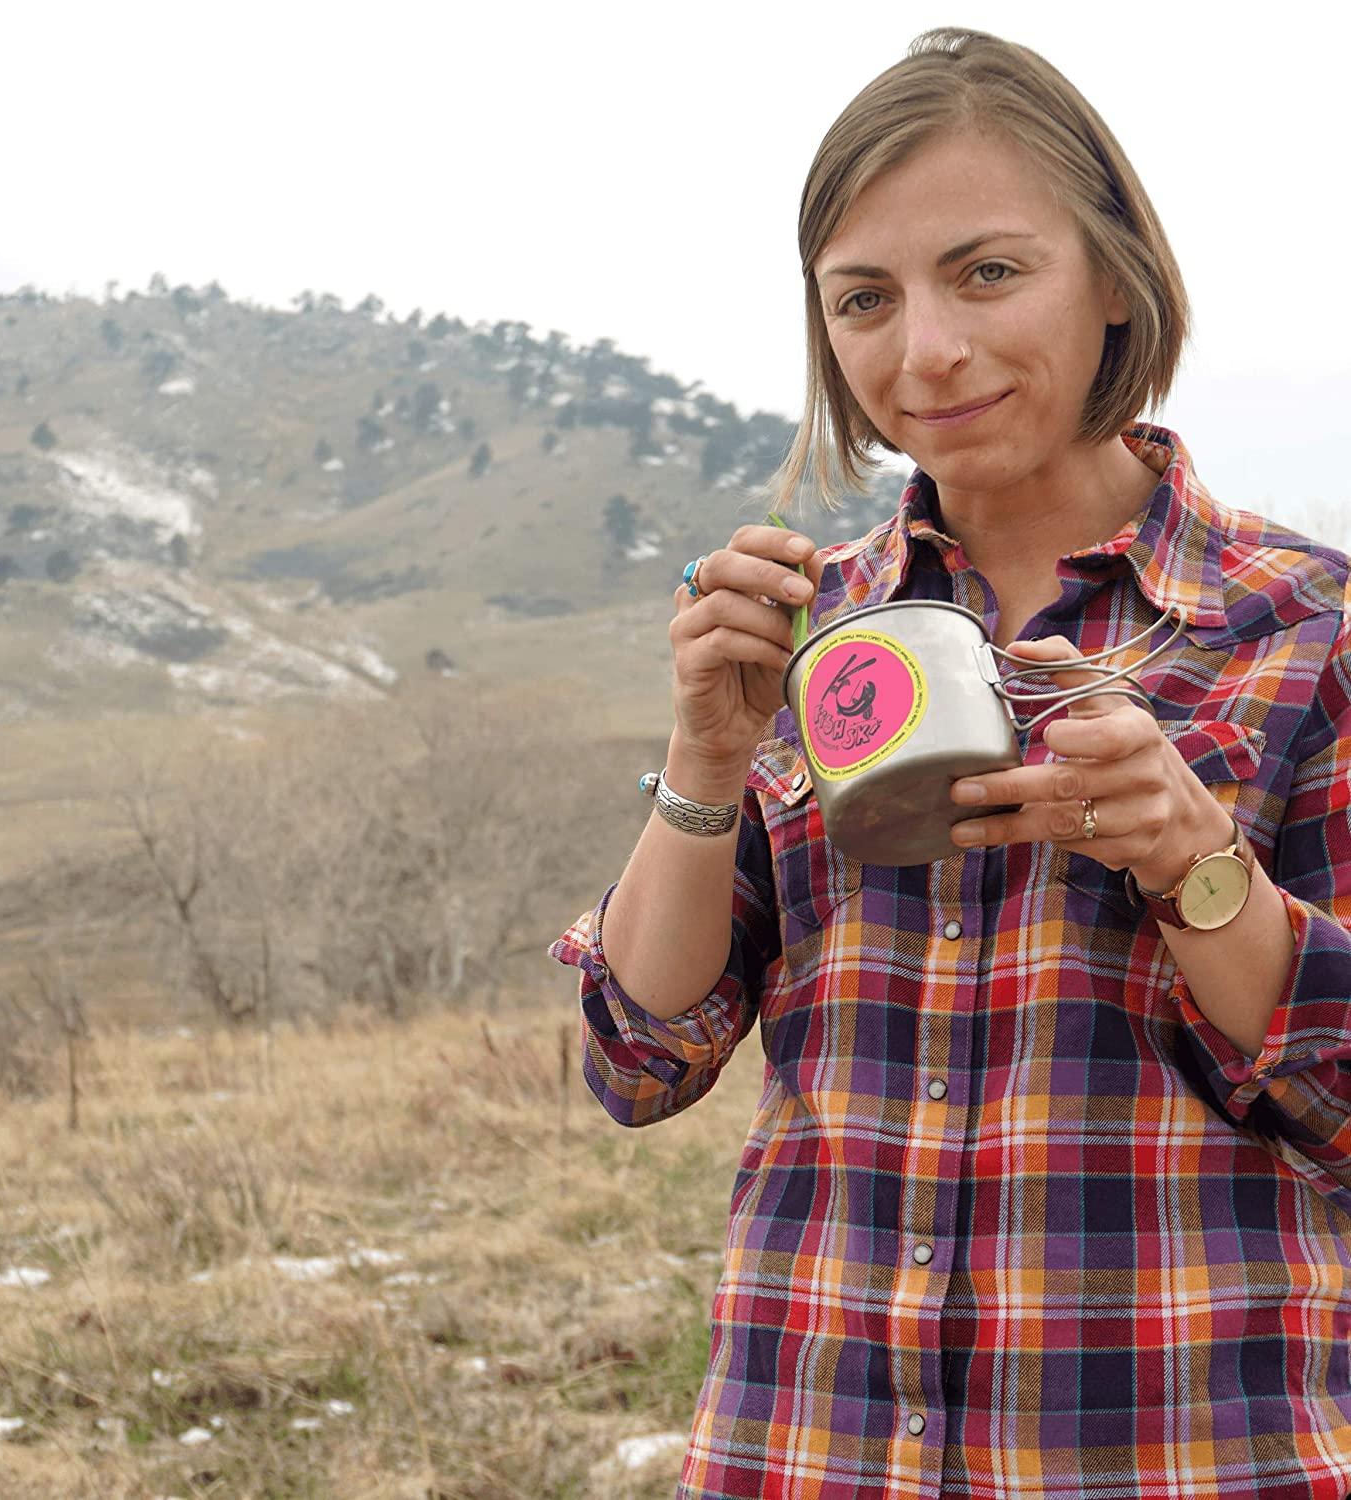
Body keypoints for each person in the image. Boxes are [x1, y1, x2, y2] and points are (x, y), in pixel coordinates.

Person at [549, 27, 1351, 1500]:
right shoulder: (812, 639)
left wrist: (1193, 863)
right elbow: (639, 1062)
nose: (924, 351)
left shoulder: (1303, 627)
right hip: (812, 1449)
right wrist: (706, 760)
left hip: (1183, 1453)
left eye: (987, 272)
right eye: (865, 298)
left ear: (1114, 275)